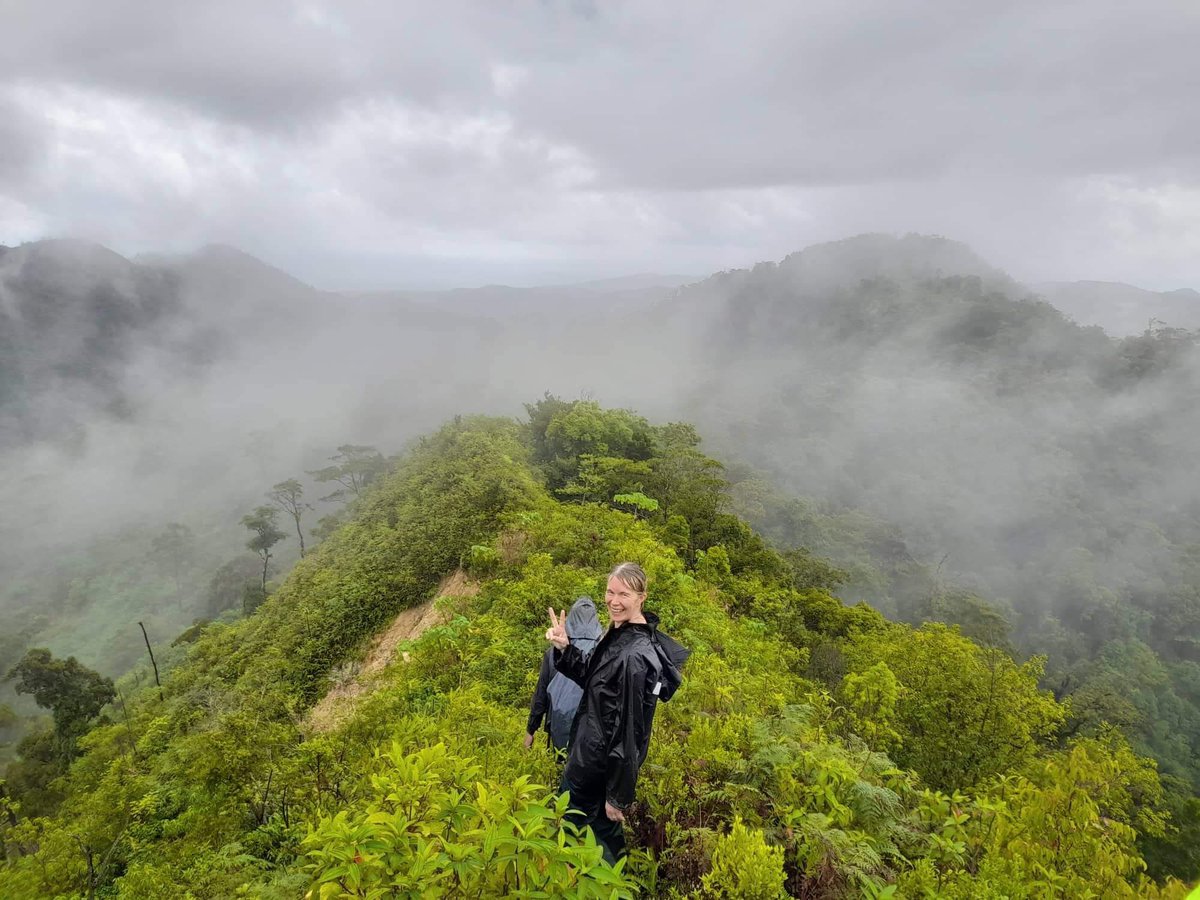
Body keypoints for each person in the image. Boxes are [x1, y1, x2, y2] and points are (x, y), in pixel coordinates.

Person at [544, 562, 689, 863]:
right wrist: (564, 648)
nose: (613, 601)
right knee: (601, 837)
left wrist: (617, 796)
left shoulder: (634, 656)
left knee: (568, 832)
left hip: (595, 767)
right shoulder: (619, 635)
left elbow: (631, 730)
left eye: (623, 594)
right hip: (590, 757)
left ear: (641, 597)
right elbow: (592, 677)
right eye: (610, 592)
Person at [525, 595, 602, 754]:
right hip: (593, 737)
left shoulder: (556, 652)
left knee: (559, 770)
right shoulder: (603, 651)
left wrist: (530, 732)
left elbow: (541, 695)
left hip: (558, 728)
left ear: (571, 619)